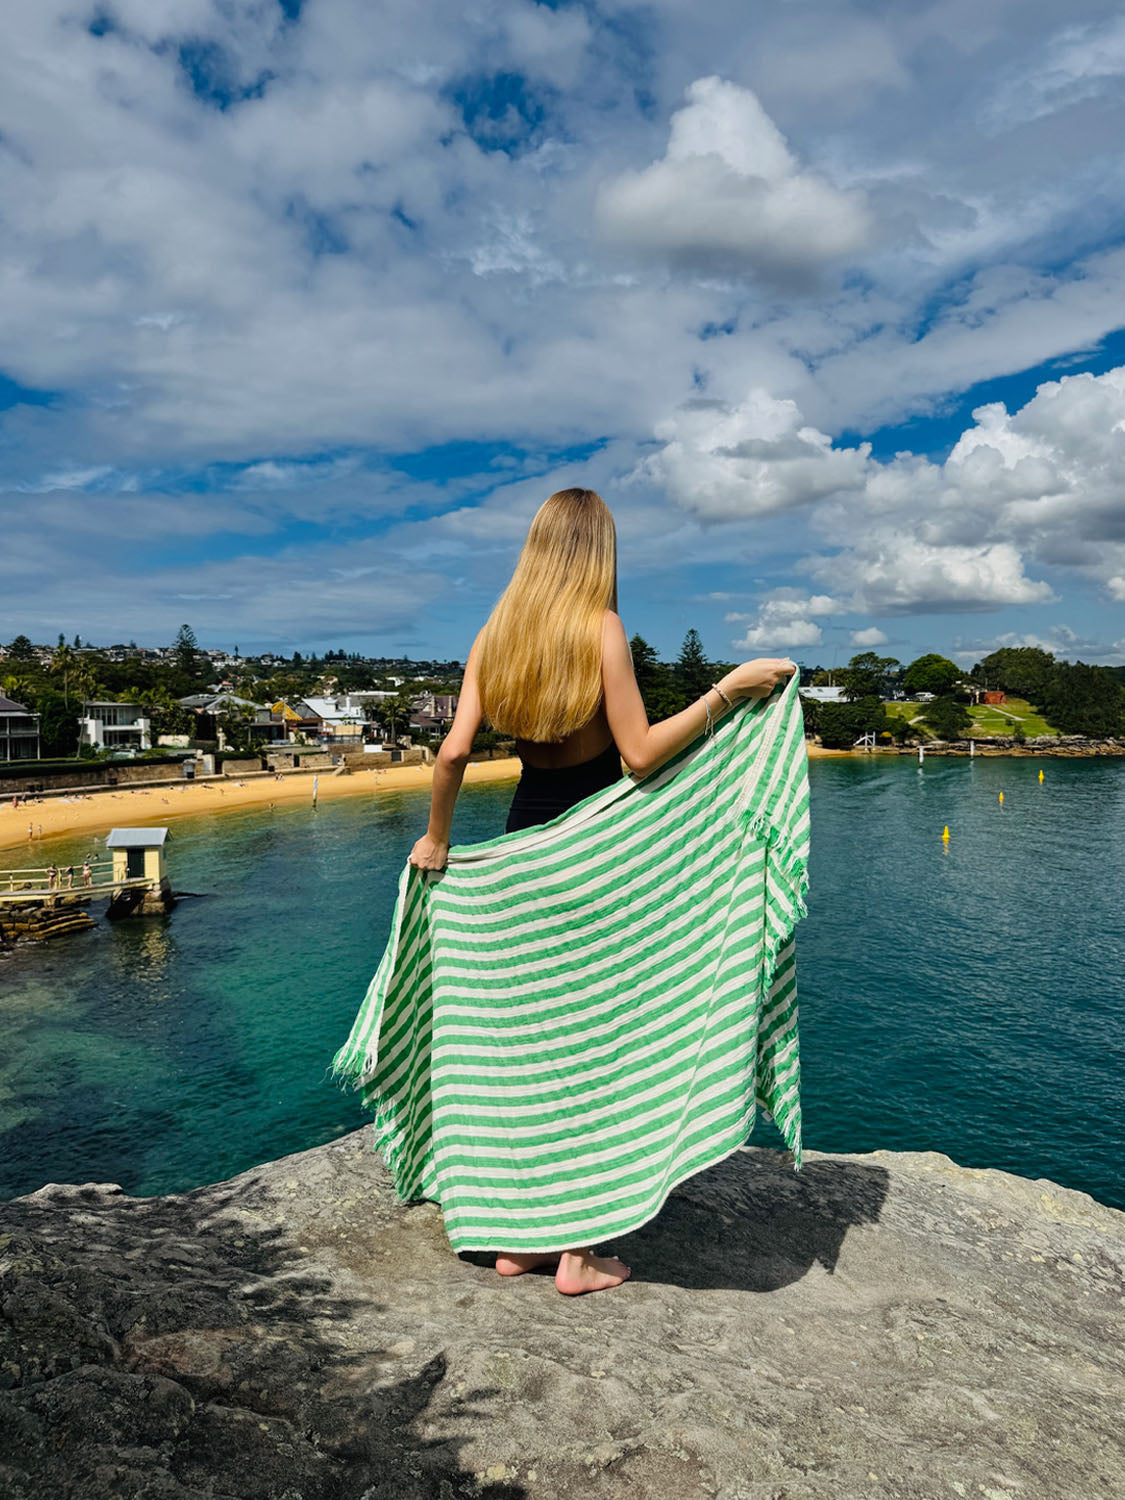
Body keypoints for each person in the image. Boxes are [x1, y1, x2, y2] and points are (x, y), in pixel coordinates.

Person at [406, 487, 795, 1294]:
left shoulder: (496, 633)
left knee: (531, 1048)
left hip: (519, 850)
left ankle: (520, 1239)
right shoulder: (600, 630)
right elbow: (642, 757)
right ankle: (579, 1253)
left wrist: (438, 840)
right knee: (597, 1048)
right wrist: (726, 691)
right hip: (594, 856)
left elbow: (449, 755)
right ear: (598, 554)